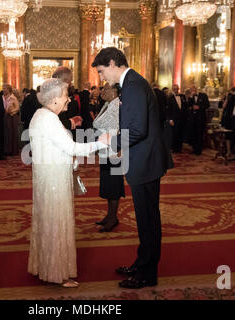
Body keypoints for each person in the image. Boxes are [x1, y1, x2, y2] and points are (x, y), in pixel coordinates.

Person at [92, 47, 172, 289]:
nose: (101, 78)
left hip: (145, 161)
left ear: (114, 63)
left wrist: (113, 143)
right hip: (142, 158)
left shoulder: (134, 85)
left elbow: (137, 130)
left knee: (148, 219)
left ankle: (147, 274)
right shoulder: (132, 83)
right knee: (146, 219)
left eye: (102, 71)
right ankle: (142, 263)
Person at [27, 78, 109, 288]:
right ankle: (58, 273)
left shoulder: (42, 115)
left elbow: (54, 146)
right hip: (54, 180)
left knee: (48, 221)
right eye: (65, 95)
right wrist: (100, 143)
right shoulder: (49, 119)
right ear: (54, 99)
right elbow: (73, 148)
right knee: (56, 222)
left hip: (48, 176)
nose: (69, 98)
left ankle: (44, 266)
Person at [93, 83, 124, 232]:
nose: (102, 91)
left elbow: (121, 128)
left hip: (114, 151)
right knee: (107, 184)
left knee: (113, 185)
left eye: (105, 88)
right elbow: (98, 123)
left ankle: (113, 218)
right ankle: (110, 215)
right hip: (105, 149)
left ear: (114, 91)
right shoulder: (107, 104)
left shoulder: (118, 105)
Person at [187, 85, 210, 155]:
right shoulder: (191, 97)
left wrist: (199, 107)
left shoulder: (203, 95)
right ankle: (194, 149)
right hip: (193, 119)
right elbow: (188, 105)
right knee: (193, 134)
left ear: (196, 89)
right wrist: (190, 98)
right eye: (191, 89)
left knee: (199, 134)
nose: (192, 90)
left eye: (193, 89)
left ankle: (199, 150)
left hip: (200, 118)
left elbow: (207, 105)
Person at [167, 84, 189, 153]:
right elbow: (168, 110)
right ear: (172, 89)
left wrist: (186, 117)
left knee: (181, 134)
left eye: (176, 89)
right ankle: (174, 148)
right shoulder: (169, 98)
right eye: (174, 89)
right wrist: (170, 119)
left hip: (182, 119)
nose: (176, 90)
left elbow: (185, 107)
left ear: (178, 89)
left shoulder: (182, 96)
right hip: (174, 119)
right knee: (174, 134)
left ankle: (179, 149)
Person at [3, 84, 20, 156]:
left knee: (12, 133)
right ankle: (7, 150)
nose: (3, 90)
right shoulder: (2, 97)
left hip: (12, 117)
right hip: (5, 117)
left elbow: (17, 108)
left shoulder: (13, 98)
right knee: (6, 133)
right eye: (3, 88)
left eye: (5, 88)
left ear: (8, 90)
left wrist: (11, 111)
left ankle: (13, 150)